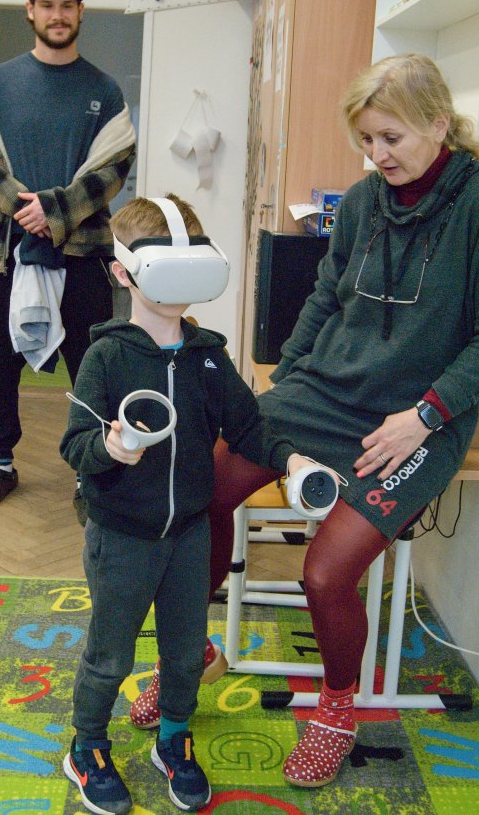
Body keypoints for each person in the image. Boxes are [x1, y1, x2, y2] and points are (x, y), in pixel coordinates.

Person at [130, 54, 479, 788]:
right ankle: (191, 655)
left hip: (417, 417)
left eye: (390, 137)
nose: (377, 155)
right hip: (320, 390)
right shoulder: (363, 201)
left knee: (325, 574)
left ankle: (337, 709)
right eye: (365, 139)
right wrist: (287, 381)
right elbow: (326, 298)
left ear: (438, 124)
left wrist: (425, 417)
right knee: (199, 491)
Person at [59, 194, 324, 815]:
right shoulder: (106, 356)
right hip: (122, 536)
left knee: (184, 654)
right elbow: (74, 445)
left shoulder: (208, 357)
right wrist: (108, 448)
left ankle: (173, 739)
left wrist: (292, 461)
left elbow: (249, 425)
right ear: (124, 273)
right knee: (110, 654)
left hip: (189, 534)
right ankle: (87, 746)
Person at [0, 0, 136, 509]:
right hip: (3, 253)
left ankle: (90, 475)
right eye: (47, 5)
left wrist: (55, 210)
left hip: (82, 253)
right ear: (30, 12)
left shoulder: (103, 90)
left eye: (66, 5)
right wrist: (22, 207)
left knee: (91, 370)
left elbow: (114, 167)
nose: (57, 15)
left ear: (80, 12)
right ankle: (1, 464)